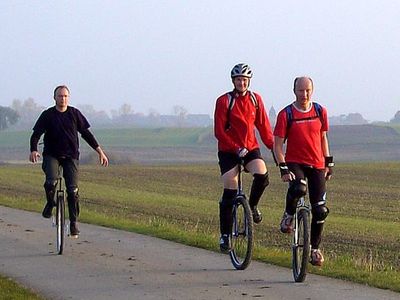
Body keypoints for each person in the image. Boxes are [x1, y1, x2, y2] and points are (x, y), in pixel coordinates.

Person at [29, 85, 109, 237]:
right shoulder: (47, 115)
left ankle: (73, 223)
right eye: (60, 96)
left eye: (65, 96)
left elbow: (86, 134)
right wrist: (34, 150)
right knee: (51, 182)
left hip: (71, 156)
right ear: (55, 98)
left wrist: (100, 151)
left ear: (68, 98)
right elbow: (36, 135)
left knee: (72, 190)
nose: (63, 99)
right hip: (52, 155)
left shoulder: (74, 114)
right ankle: (50, 203)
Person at [273, 76, 334, 266]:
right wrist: (282, 167)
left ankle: (315, 249)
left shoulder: (319, 111)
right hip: (294, 162)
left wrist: (328, 161)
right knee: (299, 189)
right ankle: (289, 214)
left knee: (320, 210)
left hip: (316, 163)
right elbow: (277, 145)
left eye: (308, 90)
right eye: (301, 90)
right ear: (294, 91)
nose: (304, 94)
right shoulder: (286, 114)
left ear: (312, 91)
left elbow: (323, 137)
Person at [214, 63, 274, 252]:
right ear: (233, 81)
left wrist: (274, 148)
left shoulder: (256, 100)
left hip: (250, 147)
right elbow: (219, 131)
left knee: (262, 175)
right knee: (230, 189)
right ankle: (225, 236)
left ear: (249, 81)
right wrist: (235, 147)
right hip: (228, 151)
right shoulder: (224, 101)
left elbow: (264, 126)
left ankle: (252, 206)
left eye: (245, 80)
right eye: (239, 80)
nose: (242, 83)